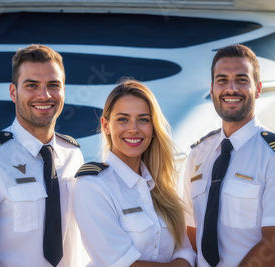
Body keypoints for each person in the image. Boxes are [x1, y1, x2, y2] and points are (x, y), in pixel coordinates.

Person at [0, 44, 88, 266]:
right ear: (14, 92)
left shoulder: (73, 154)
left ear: (63, 91)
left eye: (53, 85)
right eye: (32, 85)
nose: (44, 95)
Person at [183, 44, 275, 267]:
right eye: (222, 80)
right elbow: (191, 230)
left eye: (241, 80)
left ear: (258, 89)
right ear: (212, 89)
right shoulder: (197, 154)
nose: (231, 89)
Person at [72, 80, 196, 267]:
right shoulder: (93, 186)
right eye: (123, 119)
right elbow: (121, 263)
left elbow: (185, 249)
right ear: (106, 125)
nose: (133, 129)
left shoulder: (160, 186)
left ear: (153, 127)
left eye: (143, 119)